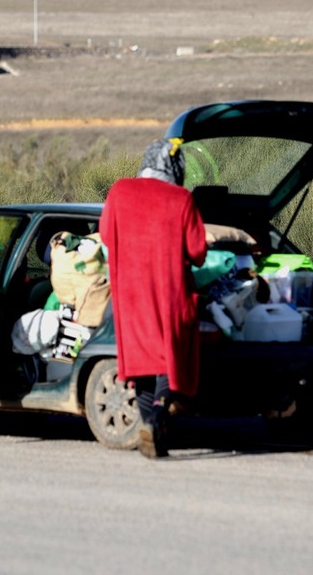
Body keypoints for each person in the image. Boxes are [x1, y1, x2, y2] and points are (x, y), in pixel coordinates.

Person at [100, 138, 208, 458]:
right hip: (170, 294)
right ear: (176, 168)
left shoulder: (119, 191)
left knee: (143, 363)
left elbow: (106, 235)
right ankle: (159, 413)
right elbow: (198, 252)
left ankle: (152, 430)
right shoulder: (181, 198)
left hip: (131, 296)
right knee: (168, 359)